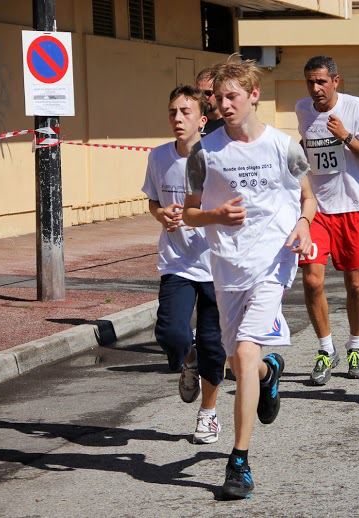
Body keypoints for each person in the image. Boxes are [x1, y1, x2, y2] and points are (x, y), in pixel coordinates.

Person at [182, 60, 317, 500]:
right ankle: (269, 371)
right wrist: (216, 215)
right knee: (239, 361)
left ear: (253, 94)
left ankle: (239, 461)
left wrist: (304, 225)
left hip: (273, 263)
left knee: (242, 350)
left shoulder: (284, 146)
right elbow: (190, 212)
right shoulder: (204, 152)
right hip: (227, 266)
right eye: (218, 98)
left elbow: (308, 198)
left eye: (232, 96)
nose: (223, 105)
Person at [142, 85, 226, 445]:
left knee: (213, 345)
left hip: (216, 263)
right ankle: (188, 358)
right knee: (171, 334)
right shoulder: (159, 156)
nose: (177, 118)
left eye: (185, 112)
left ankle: (208, 414)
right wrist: (161, 214)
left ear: (202, 120)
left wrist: (196, 215)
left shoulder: (217, 157)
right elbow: (152, 201)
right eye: (173, 112)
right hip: (176, 261)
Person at [295, 56, 359, 385]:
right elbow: (306, 149)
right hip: (316, 210)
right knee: (312, 281)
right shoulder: (302, 109)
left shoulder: (355, 107)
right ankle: (325, 348)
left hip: (351, 208)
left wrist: (345, 136)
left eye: (321, 81)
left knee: (355, 284)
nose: (315, 88)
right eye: (310, 82)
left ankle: (355, 346)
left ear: (335, 81)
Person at [196, 67, 225, 136]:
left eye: (208, 93)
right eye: (199, 92)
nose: (203, 97)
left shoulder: (230, 124)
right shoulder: (195, 122)